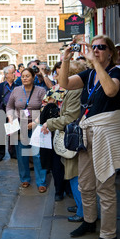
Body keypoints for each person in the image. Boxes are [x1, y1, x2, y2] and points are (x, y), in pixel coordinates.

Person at [57, 35, 120, 239]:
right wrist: (66, 59)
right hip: (88, 132)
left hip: (105, 132)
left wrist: (95, 63)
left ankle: (108, 233)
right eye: (93, 47)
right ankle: (89, 221)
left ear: (111, 52)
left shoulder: (117, 73)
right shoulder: (88, 74)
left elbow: (110, 91)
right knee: (85, 182)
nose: (95, 50)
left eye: (101, 48)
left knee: (105, 185)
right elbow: (64, 84)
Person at [42, 60, 86, 220]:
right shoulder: (73, 89)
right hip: (74, 136)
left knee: (75, 175)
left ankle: (82, 212)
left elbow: (69, 118)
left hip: (74, 139)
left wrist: (50, 123)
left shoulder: (75, 91)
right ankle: (79, 205)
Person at [6, 67, 47, 192]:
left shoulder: (40, 91)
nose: (24, 78)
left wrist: (35, 123)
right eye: (23, 76)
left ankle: (41, 182)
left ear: (33, 77)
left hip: (36, 125)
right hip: (20, 125)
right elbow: (9, 106)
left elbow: (45, 109)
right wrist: (10, 118)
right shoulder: (16, 90)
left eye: (27, 76)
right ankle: (24, 179)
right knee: (22, 155)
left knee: (37, 155)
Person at [0, 65, 17, 161]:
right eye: (13, 72)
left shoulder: (18, 86)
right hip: (1, 111)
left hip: (14, 112)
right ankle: (0, 154)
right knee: (0, 134)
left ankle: (13, 153)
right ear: (7, 75)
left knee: (13, 133)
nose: (15, 74)